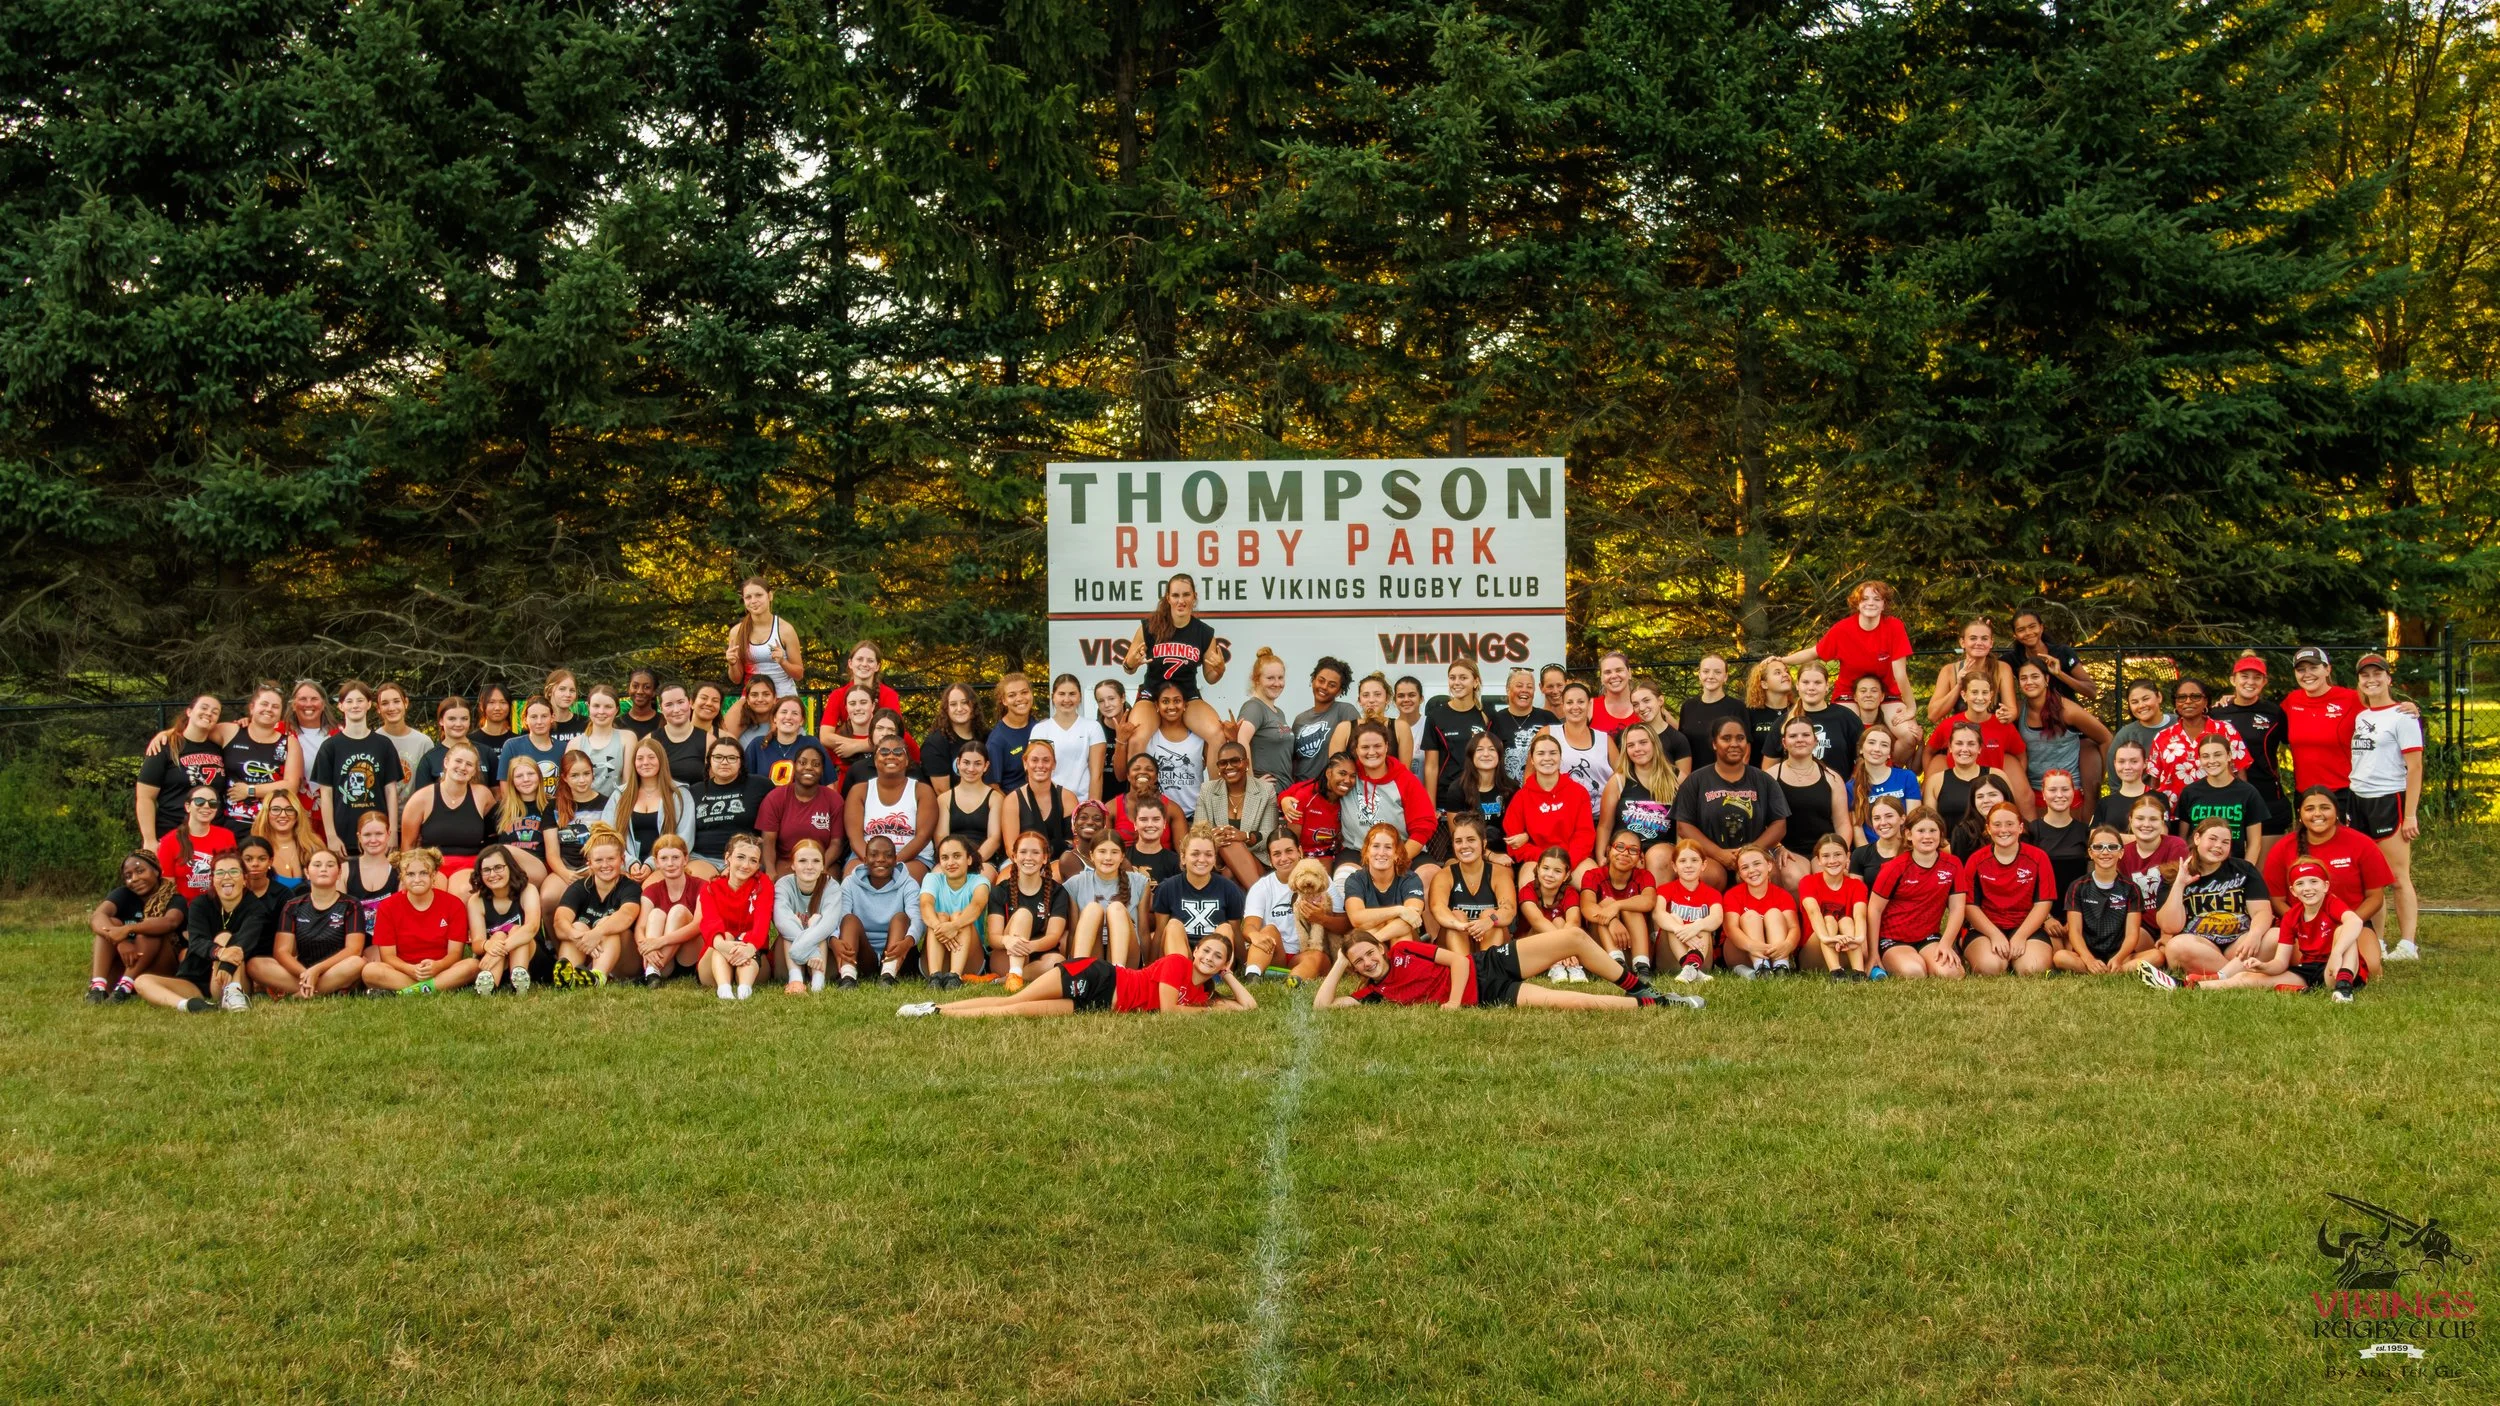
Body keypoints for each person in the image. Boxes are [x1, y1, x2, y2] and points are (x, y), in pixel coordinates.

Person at [1315, 923, 1692, 1012]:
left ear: (1380, 947)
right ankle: (1656, 1004)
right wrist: (1337, 964)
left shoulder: (1405, 949)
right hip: (1491, 995)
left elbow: (1460, 961)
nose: (1367, 961)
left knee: (1574, 936)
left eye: (1369, 952)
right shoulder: (1371, 994)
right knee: (1566, 1001)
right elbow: (1322, 1009)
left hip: (1487, 964)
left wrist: (1453, 1004)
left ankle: (1636, 985)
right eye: (1359, 961)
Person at [906, 932, 1255, 1019]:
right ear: (1195, 951)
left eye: (1219, 957)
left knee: (1017, 1012)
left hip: (1101, 1005)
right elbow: (1168, 1011)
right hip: (1098, 976)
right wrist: (1208, 1011)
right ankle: (936, 1008)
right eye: (1207, 951)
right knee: (1016, 999)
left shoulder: (1202, 995)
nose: (1209, 958)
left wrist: (1230, 977)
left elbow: (1249, 1008)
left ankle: (936, 1012)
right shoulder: (1178, 962)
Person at [2350, 653, 2424, 961]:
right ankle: (2377, 940)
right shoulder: (2361, 716)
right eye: (2365, 675)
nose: (2371, 680)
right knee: (2370, 876)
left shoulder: (2403, 716)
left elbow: (2416, 766)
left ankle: (2407, 944)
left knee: (2397, 876)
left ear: (2388, 678)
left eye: (2377, 674)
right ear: (2360, 681)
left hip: (2388, 799)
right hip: (2358, 799)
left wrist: (2409, 814)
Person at [2140, 817, 2274, 986]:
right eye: (2212, 839)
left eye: (2226, 842)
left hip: (2241, 945)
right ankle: (2239, 978)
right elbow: (2170, 926)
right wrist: (2179, 884)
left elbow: (2261, 911)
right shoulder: (2173, 874)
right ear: (2197, 838)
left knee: (2276, 937)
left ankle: (2220, 979)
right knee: (2176, 946)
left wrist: (2254, 935)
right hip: (2200, 947)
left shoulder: (2244, 870)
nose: (2219, 846)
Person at [2262, 786, 2393, 948]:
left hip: (2350, 921)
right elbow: (2276, 900)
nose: (2317, 813)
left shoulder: (2362, 843)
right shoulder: (2283, 848)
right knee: (2303, 965)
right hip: (2302, 926)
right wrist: (2304, 925)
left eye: (2325, 807)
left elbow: (2375, 897)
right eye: (2310, 809)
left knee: (2370, 967)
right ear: (2300, 814)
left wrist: (2350, 922)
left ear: (2337, 812)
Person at [1119, 572, 1230, 761]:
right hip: (1152, 695)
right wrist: (1131, 664)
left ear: (1194, 598)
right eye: (1176, 595)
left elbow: (1211, 677)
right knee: (1136, 739)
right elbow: (1128, 666)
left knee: (1218, 734)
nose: (1181, 601)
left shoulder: (1203, 632)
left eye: (1186, 595)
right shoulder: (1149, 627)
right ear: (1168, 598)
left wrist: (1219, 670)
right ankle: (1138, 791)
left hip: (1187, 696)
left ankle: (1214, 791)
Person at [132, 853, 263, 1013]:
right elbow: (196, 941)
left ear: (245, 879)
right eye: (220, 873)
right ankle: (190, 1006)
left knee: (225, 937)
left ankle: (233, 995)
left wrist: (226, 963)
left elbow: (246, 941)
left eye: (234, 872)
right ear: (213, 879)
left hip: (234, 977)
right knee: (142, 981)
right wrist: (219, 951)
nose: (226, 877)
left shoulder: (255, 907)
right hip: (196, 981)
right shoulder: (200, 904)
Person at [1671, 717, 1790, 889]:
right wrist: (1719, 854)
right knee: (1710, 875)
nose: (1734, 744)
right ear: (1714, 743)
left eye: (1740, 738)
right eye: (1726, 738)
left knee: (1770, 874)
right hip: (1709, 856)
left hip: (1753, 853)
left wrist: (1749, 852)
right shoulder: (1696, 780)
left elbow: (1779, 825)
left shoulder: (1764, 780)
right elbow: (1684, 826)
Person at [1786, 580, 1918, 735]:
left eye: (1877, 599)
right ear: (1857, 603)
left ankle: (1890, 760)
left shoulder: (1894, 626)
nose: (1871, 603)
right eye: (1865, 599)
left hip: (1887, 693)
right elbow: (1814, 652)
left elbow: (1900, 673)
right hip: (1847, 694)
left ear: (1884, 604)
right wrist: (1782, 660)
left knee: (1909, 735)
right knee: (1849, 734)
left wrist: (1911, 708)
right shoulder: (1843, 629)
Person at [361, 848, 483, 995]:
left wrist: (437, 966)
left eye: (424, 873)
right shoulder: (387, 906)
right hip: (403, 971)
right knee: (370, 971)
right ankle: (431, 988)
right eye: (410, 874)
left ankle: (404, 992)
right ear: (402, 878)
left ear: (433, 876)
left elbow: (455, 954)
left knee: (472, 965)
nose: (417, 879)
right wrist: (411, 969)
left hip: (441, 970)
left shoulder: (453, 904)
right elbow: (388, 957)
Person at [1868, 806, 1967, 979]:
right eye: (1920, 831)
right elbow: (1874, 910)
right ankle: (1910, 960)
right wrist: (1873, 953)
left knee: (1952, 973)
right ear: (1908, 834)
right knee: (1914, 972)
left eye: (1933, 831)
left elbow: (1958, 908)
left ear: (1941, 833)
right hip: (1893, 938)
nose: (1927, 836)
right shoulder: (1894, 867)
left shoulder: (1953, 864)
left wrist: (1946, 943)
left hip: (1929, 937)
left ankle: (1927, 959)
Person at [1959, 805, 2057, 976]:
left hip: (2026, 927)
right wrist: (1995, 935)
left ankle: (2018, 955)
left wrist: (2020, 936)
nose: (2003, 830)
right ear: (1988, 829)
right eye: (1997, 825)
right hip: (1986, 929)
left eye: (2010, 824)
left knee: (2033, 969)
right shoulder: (1976, 860)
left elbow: (2043, 903)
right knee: (1990, 968)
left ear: (2020, 828)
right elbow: (1969, 905)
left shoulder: (2038, 857)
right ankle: (1976, 948)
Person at [1922, 673, 2034, 817]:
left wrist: (2013, 781)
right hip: (1959, 789)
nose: (1980, 698)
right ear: (1964, 695)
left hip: (1991, 790)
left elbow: (2021, 754)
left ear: (1991, 695)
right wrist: (1929, 778)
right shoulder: (1948, 725)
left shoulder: (2003, 725)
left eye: (1985, 692)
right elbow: (1928, 751)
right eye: (1974, 692)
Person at [310, 680, 405, 849]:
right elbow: (326, 795)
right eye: (349, 701)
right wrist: (331, 836)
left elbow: (391, 791)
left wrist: (391, 833)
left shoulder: (384, 745)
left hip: (378, 833)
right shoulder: (330, 746)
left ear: (369, 704)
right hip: (343, 834)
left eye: (360, 700)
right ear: (341, 706)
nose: (355, 706)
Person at [1337, 722, 1439, 876]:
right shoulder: (1348, 776)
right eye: (1365, 747)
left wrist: (1398, 858)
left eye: (1377, 746)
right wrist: (1287, 798)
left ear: (1386, 746)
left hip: (1402, 850)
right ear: (1356, 749)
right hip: (1357, 851)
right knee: (1344, 878)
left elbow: (1423, 826)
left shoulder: (1405, 779)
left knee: (1430, 875)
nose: (1372, 752)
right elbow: (1317, 788)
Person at [2261, 857, 2370, 1000]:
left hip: (2336, 968)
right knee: (2251, 979)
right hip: (2308, 969)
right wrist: (2264, 967)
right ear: (2293, 891)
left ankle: (2344, 989)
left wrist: (2336, 953)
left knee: (2343, 930)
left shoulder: (2331, 902)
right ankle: (2221, 982)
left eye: (2313, 881)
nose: (2307, 888)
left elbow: (2355, 921)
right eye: (2300, 883)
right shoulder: (2291, 916)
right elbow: (2280, 962)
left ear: (2325, 886)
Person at [548, 826, 644, 988]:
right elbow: (559, 922)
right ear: (590, 863)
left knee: (607, 923)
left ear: (622, 861)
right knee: (576, 926)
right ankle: (567, 976)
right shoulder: (580, 887)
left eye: (611, 859)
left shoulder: (630, 887)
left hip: (625, 961)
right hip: (588, 954)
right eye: (598, 860)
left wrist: (597, 933)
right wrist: (578, 936)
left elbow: (627, 915)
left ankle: (597, 977)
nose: (605, 865)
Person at [87, 850, 187, 1003]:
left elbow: (170, 922)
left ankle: (125, 988)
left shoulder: (174, 898)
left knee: (149, 929)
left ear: (156, 870)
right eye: (128, 876)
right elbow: (98, 916)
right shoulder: (123, 894)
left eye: (140, 871)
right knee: (111, 923)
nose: (134, 879)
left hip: (159, 969)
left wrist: (129, 929)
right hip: (127, 960)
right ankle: (98, 987)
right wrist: (120, 940)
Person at [1243, 832, 1346, 979]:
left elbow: (1344, 925)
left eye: (1289, 851)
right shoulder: (1262, 887)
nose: (1284, 858)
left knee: (1317, 956)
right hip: (1276, 952)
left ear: (1300, 851)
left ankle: (1293, 981)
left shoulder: (1322, 879)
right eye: (1277, 854)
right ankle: (1252, 976)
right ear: (1270, 859)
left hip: (1307, 954)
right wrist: (1255, 935)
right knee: (1268, 930)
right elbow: (1249, 926)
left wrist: (1321, 919)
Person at [399, 740, 494, 895]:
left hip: (469, 863)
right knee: (433, 891)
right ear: (446, 762)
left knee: (464, 891)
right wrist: (406, 876)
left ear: (474, 771)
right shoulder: (421, 798)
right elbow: (407, 845)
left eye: (469, 764)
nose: (463, 767)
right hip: (431, 864)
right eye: (458, 761)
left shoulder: (483, 796)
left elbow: (493, 834)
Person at [1766, 717, 1849, 889]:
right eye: (1793, 736)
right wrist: (1778, 847)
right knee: (1794, 878)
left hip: (1825, 848)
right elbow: (1763, 822)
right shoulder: (1770, 777)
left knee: (1826, 877)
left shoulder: (1832, 778)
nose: (1800, 740)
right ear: (1784, 742)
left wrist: (1842, 853)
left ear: (1815, 740)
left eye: (1805, 735)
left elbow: (1842, 823)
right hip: (1787, 849)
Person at [136, 695, 229, 848]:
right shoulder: (166, 746)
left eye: (215, 712)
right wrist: (149, 840)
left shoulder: (220, 748)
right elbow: (145, 797)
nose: (209, 713)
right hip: (172, 832)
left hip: (212, 834)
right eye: (204, 708)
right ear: (189, 712)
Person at [602, 734, 697, 882]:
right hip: (625, 866)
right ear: (634, 762)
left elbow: (684, 838)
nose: (645, 762)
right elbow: (608, 835)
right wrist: (629, 863)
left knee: (648, 889)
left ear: (661, 760)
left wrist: (652, 864)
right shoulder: (620, 795)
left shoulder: (679, 794)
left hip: (665, 865)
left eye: (651, 757)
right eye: (640, 758)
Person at [833, 834, 923, 985]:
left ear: (895, 860)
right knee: (848, 919)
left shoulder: (909, 884)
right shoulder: (849, 883)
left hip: (899, 951)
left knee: (901, 917)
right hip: (863, 953)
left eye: (888, 855)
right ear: (865, 859)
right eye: (874, 855)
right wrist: (833, 940)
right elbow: (838, 919)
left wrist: (908, 941)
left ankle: (888, 975)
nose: (880, 859)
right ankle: (848, 977)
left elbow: (917, 919)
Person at [2055, 826, 2148, 974]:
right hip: (2087, 954)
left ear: (2121, 853)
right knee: (2060, 957)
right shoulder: (2078, 886)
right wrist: (2088, 959)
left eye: (2112, 847)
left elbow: (2132, 934)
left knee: (2157, 956)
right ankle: (2102, 970)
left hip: (2120, 956)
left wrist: (2118, 958)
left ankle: (2114, 969)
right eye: (2098, 847)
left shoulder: (2131, 888)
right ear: (2090, 853)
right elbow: (2075, 931)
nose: (2105, 852)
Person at [1596, 722, 1680, 884]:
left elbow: (1683, 826)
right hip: (1626, 849)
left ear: (1654, 744)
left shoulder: (1676, 778)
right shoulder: (1618, 780)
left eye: (1643, 742)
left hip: (1661, 848)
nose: (1637, 749)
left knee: (1657, 856)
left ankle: (1656, 906)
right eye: (1631, 745)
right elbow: (1604, 825)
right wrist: (1600, 856)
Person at [2013, 658, 2110, 798]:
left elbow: (2106, 738)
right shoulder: (2018, 710)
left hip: (2068, 791)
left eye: (2035, 677)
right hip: (2035, 790)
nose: (2029, 682)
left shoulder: (2067, 710)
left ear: (2046, 679)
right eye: (2023, 678)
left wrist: (2099, 779)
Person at [986, 830, 1072, 988]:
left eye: (1035, 852)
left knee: (1057, 962)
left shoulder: (1057, 891)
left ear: (1045, 858)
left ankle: (1010, 978)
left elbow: (1053, 936)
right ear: (1014, 856)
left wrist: (1031, 946)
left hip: (1037, 954)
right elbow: (993, 937)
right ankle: (1014, 971)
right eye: (1023, 852)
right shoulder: (1000, 891)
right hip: (1005, 956)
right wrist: (1008, 940)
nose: (1028, 858)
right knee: (1024, 914)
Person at [696, 832, 776, 1000]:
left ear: (758, 865)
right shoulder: (711, 888)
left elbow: (762, 924)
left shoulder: (763, 884)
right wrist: (723, 945)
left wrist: (749, 947)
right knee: (725, 935)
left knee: (746, 939)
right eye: (740, 857)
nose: (746, 865)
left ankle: (744, 990)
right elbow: (710, 923)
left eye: (753, 861)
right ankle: (724, 989)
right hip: (714, 960)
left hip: (753, 957)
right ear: (728, 858)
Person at [1505, 733, 1597, 878]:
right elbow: (1514, 843)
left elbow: (1584, 835)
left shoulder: (1578, 793)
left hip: (1573, 860)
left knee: (1593, 880)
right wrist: (1546, 860)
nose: (1547, 758)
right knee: (1529, 883)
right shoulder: (1521, 797)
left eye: (1553, 753)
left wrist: (1566, 863)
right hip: (1537, 861)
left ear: (1560, 758)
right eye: (1540, 753)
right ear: (1532, 760)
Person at [2211, 654, 2289, 825]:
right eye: (2244, 676)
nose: (2250, 682)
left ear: (2264, 682)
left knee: (2265, 851)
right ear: (2233, 680)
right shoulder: (2217, 713)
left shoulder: (2274, 713)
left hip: (2266, 793)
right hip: (2225, 792)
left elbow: (2294, 743)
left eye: (2257, 677)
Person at [1428, 813, 1519, 954]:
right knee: (1456, 915)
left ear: (1483, 843)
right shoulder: (1444, 875)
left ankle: (1487, 969)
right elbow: (1437, 909)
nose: (1464, 846)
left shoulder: (1499, 873)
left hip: (1491, 939)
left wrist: (1490, 921)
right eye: (1458, 841)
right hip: (1457, 941)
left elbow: (1509, 910)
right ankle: (1464, 967)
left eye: (1471, 840)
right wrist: (1459, 925)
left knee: (1490, 914)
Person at [844, 739, 934, 878]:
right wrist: (874, 862)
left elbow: (923, 837)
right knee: (852, 877)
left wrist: (892, 863)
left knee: (903, 879)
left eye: (898, 752)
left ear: (907, 761)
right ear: (875, 760)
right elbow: (855, 837)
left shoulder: (922, 791)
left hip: (913, 858)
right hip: (866, 857)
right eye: (884, 752)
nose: (891, 756)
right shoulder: (859, 791)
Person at [1152, 829, 1247, 960]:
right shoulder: (1167, 888)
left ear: (1215, 859)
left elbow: (1235, 933)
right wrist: (1150, 966)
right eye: (1195, 854)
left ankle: (1215, 976)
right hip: (1181, 951)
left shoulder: (1229, 889)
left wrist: (1244, 966)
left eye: (1208, 855)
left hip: (1212, 956)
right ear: (1183, 858)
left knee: (1225, 928)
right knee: (1173, 925)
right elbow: (1160, 931)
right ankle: (1178, 972)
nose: (1202, 859)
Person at [2281, 647, 2364, 795]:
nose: (2307, 674)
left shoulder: (2351, 698)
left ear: (2327, 669)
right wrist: (2233, 700)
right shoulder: (2292, 701)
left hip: (2343, 791)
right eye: (2301, 670)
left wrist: (2408, 707)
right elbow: (2265, 718)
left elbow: (2383, 709)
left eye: (2313, 667)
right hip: (2305, 794)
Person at [219, 683, 301, 834]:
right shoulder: (230, 731)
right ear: (252, 707)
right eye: (264, 704)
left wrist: (250, 790)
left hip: (270, 825)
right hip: (232, 823)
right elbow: (195, 733)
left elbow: (291, 786)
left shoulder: (289, 743)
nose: (269, 709)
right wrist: (165, 735)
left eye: (275, 706)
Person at [2147, 678, 2248, 798]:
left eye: (2195, 696)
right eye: (2181, 697)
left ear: (2206, 701)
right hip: (2173, 812)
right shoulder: (2162, 737)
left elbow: (2239, 772)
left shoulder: (2225, 730)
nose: (2188, 701)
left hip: (2217, 810)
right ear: (2175, 703)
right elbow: (2154, 781)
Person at [2174, 735, 2269, 861]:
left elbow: (2255, 844)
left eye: (2218, 754)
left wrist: (2245, 874)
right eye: (2205, 756)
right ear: (2199, 759)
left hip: (2233, 868)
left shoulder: (2248, 792)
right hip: (2197, 869)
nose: (2212, 760)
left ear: (2229, 756)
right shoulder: (2190, 792)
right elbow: (2183, 840)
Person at [1068, 830, 1153, 968]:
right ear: (1092, 855)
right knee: (1092, 909)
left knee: (1116, 908)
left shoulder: (1140, 882)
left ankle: (1119, 975)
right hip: (1091, 951)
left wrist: (1147, 967)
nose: (1108, 857)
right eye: (1102, 851)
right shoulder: (1076, 883)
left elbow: (1143, 931)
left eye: (1114, 852)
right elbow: (1073, 931)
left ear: (1122, 856)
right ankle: (1077, 974)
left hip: (1128, 953)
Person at [1196, 742, 1277, 887]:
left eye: (1235, 761)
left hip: (1256, 859)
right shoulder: (1207, 790)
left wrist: (1244, 836)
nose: (1229, 767)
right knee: (1227, 840)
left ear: (1246, 763)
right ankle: (1262, 899)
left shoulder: (1266, 791)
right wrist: (1215, 838)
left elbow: (1269, 836)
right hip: (1216, 860)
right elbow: (1198, 834)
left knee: (1229, 870)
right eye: (1223, 763)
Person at [1924, 721, 2019, 844]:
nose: (1965, 749)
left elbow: (2012, 815)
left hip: (1995, 848)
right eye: (1959, 743)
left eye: (1971, 744)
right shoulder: (1936, 781)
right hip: (1950, 850)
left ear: (1979, 748)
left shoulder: (1996, 776)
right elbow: (1930, 824)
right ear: (1950, 748)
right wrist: (1949, 849)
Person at [916, 834, 990, 989]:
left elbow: (976, 907)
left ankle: (954, 977)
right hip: (933, 960)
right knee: (940, 917)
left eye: (957, 856)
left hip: (970, 962)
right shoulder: (932, 879)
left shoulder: (980, 881)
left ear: (969, 859)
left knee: (958, 916)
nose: (950, 862)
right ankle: (934, 977)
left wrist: (954, 926)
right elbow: (925, 906)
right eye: (944, 858)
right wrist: (942, 928)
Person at [1577, 830, 1657, 971]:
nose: (1625, 853)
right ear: (1608, 850)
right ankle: (1616, 963)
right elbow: (1587, 907)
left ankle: (1642, 966)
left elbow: (1648, 901)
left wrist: (1618, 905)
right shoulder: (1592, 875)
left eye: (1633, 850)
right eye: (1620, 847)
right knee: (1605, 903)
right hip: (1602, 949)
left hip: (1635, 947)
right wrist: (1612, 920)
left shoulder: (1644, 875)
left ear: (1640, 857)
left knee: (1628, 906)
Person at [466, 844, 540, 994]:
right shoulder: (476, 901)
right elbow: (477, 944)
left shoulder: (527, 890)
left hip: (530, 958)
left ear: (510, 867)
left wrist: (501, 949)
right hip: (497, 964)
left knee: (517, 930)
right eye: (486, 870)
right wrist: (488, 945)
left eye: (498, 867)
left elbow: (532, 927)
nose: (493, 874)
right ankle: (489, 986)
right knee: (498, 936)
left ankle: (519, 982)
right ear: (480, 874)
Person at [631, 834, 705, 985]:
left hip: (689, 958)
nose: (670, 863)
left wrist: (659, 942)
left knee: (678, 910)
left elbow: (698, 925)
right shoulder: (651, 890)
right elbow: (641, 927)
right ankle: (652, 973)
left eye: (675, 858)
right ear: (656, 863)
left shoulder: (702, 886)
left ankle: (651, 971)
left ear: (685, 859)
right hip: (664, 964)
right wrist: (647, 948)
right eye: (664, 858)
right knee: (656, 914)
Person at [540, 750, 609, 910]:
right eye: (575, 775)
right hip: (566, 868)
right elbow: (552, 853)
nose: (582, 780)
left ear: (593, 774)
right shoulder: (554, 807)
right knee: (548, 898)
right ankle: (553, 936)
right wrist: (566, 874)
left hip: (598, 867)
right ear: (564, 777)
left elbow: (611, 843)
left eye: (586, 774)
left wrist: (594, 868)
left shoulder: (607, 803)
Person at [761, 746, 845, 878]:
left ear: (822, 770)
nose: (809, 767)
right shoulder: (775, 797)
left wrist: (822, 866)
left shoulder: (834, 800)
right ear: (794, 767)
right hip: (786, 862)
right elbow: (768, 841)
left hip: (823, 862)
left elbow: (837, 843)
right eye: (802, 762)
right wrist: (770, 871)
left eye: (816, 764)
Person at [1439, 730, 1518, 870]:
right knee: (1452, 873)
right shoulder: (1457, 789)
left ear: (1499, 755)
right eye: (1479, 749)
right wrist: (1489, 856)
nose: (1486, 754)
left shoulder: (1511, 789)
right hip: (1463, 850)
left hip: (1500, 852)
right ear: (1471, 755)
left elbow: (1516, 830)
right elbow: (1457, 837)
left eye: (1492, 749)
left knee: (1500, 875)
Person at [1416, 658, 1493, 798]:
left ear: (1475, 682)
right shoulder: (1435, 717)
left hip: (1479, 794)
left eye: (1463, 678)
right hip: (1446, 796)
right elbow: (1431, 767)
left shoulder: (1487, 716)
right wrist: (1431, 807)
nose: (1456, 682)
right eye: (1452, 678)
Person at [1796, 833, 1871, 978]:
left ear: (1847, 856)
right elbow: (1813, 912)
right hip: (1814, 952)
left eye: (1837, 854)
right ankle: (1835, 971)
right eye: (1825, 856)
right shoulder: (1808, 882)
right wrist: (1826, 938)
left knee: (1847, 920)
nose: (1832, 861)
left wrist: (1859, 938)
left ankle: (1858, 973)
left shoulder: (1857, 886)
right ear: (1818, 860)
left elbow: (1860, 915)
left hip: (1848, 949)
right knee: (1829, 919)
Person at [771, 838, 841, 992]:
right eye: (802, 861)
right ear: (793, 865)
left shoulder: (831, 886)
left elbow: (828, 924)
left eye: (816, 861)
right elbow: (782, 921)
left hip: (821, 948)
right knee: (792, 923)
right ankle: (795, 979)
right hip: (793, 946)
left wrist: (811, 932)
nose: (809, 866)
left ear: (823, 865)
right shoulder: (783, 885)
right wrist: (812, 951)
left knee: (818, 922)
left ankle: (818, 980)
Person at [1028, 673, 1108, 806]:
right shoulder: (1040, 729)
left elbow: (1097, 776)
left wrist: (1092, 807)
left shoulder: (1093, 727)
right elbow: (1034, 771)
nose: (1067, 699)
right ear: (1053, 696)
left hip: (1081, 803)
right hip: (1048, 804)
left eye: (1072, 694)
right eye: (1061, 694)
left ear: (1079, 697)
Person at [1719, 846, 1800, 976]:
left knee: (1774, 913)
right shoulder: (1733, 895)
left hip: (1775, 951)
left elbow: (1793, 927)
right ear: (1739, 873)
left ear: (1769, 865)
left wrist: (1788, 944)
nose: (1752, 870)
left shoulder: (1783, 895)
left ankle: (1781, 967)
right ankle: (1761, 968)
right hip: (1742, 950)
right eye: (1745, 867)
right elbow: (1731, 928)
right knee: (1750, 916)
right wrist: (1751, 945)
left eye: (1757, 864)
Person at [1924, 618, 2018, 728]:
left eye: (1984, 639)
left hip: (1994, 731)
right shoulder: (1949, 671)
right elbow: (1933, 715)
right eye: (1973, 638)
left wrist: (2007, 715)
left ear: (1991, 643)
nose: (1979, 643)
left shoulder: (2002, 668)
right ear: (1963, 642)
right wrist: (1959, 685)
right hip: (1962, 735)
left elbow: (2012, 710)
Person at [1516, 845, 1590, 982]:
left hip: (1563, 941)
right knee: (1551, 923)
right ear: (1537, 869)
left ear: (1566, 875)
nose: (1550, 875)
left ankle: (1570, 968)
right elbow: (1537, 921)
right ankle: (1557, 964)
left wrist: (1564, 947)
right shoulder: (1527, 890)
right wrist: (1564, 949)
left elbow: (1574, 921)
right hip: (1530, 944)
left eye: (1557, 871)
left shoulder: (1570, 892)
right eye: (1545, 868)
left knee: (1560, 921)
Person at [1654, 841, 1725, 982]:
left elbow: (1717, 917)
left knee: (1703, 924)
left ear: (1703, 865)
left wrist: (1695, 927)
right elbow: (1658, 914)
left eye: (1694, 860)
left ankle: (1691, 967)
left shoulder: (1712, 893)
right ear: (1674, 866)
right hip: (1669, 958)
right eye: (1682, 861)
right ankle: (1690, 966)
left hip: (1702, 956)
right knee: (1673, 918)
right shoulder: (1665, 889)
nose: (1688, 865)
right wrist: (1681, 930)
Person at [998, 736, 1074, 867]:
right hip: (1021, 862)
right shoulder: (1012, 800)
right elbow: (1010, 848)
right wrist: (1031, 866)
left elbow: (1072, 842)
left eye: (1046, 760)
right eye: (1034, 760)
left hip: (1058, 862)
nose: (1040, 765)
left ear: (1054, 764)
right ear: (1025, 763)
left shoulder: (1067, 797)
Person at [1541, 683, 1615, 812]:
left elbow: (1622, 777)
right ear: (1563, 706)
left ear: (1589, 704)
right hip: (1558, 816)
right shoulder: (1548, 733)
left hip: (1599, 817)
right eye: (1569, 702)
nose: (1575, 707)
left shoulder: (1605, 739)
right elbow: (1530, 776)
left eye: (1581, 702)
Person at [156, 784, 237, 901]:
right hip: (184, 909)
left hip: (219, 904)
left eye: (212, 803)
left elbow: (234, 876)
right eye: (199, 801)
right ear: (187, 806)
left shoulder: (227, 836)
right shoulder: (169, 841)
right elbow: (167, 887)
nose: (206, 806)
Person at [726, 577, 805, 697]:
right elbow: (736, 679)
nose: (753, 601)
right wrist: (732, 663)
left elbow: (799, 674)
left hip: (783, 697)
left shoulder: (785, 630)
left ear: (770, 596)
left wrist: (783, 662)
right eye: (748, 597)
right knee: (731, 716)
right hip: (753, 698)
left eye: (759, 595)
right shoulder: (737, 632)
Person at [1139, 682, 1209, 819]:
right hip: (1160, 815)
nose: (1171, 706)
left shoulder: (1200, 736)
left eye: (1177, 701)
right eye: (1165, 701)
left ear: (1185, 705)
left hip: (1195, 815)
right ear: (1156, 706)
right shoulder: (1148, 737)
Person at [2002, 607, 2097, 705]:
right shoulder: (2012, 659)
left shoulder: (2063, 652)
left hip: (2067, 714)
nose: (2028, 633)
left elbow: (2092, 692)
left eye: (2032, 626)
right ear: (2015, 635)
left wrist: (2059, 674)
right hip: (2035, 715)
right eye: (2021, 630)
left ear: (2041, 628)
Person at [1289, 657, 1360, 785]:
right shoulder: (1300, 719)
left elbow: (1359, 749)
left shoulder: (1345, 711)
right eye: (1321, 681)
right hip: (1301, 791)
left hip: (1329, 791)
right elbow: (1293, 761)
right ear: (1313, 680)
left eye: (1332, 685)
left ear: (1339, 691)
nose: (1324, 687)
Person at [1275, 753, 1355, 865]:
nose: (1347, 780)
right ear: (1329, 773)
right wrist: (1283, 799)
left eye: (1353, 776)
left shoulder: (1349, 799)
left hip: (1334, 856)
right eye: (1342, 773)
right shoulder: (1305, 796)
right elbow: (1292, 843)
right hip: (1304, 857)